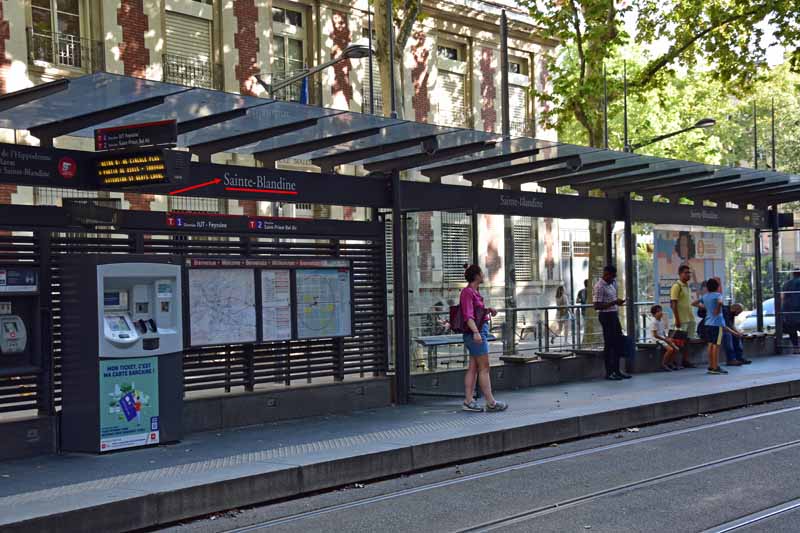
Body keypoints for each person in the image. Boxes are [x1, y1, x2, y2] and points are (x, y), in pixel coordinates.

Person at [460, 264, 508, 413]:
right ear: (476, 275)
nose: (483, 274)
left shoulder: (473, 292)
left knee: (474, 368)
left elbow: (476, 312)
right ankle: (490, 402)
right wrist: (476, 332)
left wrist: (487, 310)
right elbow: (468, 315)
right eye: (481, 272)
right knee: (484, 367)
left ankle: (469, 401)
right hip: (476, 334)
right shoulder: (468, 292)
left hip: (478, 332)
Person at [593, 265, 631, 380]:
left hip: (614, 314)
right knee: (609, 344)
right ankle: (609, 372)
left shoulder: (611, 285)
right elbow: (597, 306)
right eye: (612, 276)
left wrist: (617, 303)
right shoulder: (599, 286)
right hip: (606, 316)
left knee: (617, 343)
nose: (613, 279)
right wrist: (614, 302)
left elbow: (611, 301)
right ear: (606, 274)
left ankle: (617, 370)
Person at [670, 265, 697, 368]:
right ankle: (673, 362)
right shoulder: (677, 286)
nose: (688, 275)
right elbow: (673, 304)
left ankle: (685, 360)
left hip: (690, 318)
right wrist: (677, 319)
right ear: (680, 274)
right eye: (686, 273)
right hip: (681, 319)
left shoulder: (687, 287)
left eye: (689, 273)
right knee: (677, 341)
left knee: (687, 341)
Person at [700, 277, 728, 375]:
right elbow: (720, 302)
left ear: (707, 287)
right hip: (717, 323)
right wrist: (717, 309)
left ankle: (711, 366)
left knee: (710, 344)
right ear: (717, 287)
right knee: (716, 345)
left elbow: (694, 303)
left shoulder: (705, 296)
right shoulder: (718, 295)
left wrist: (705, 307)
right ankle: (715, 367)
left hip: (708, 323)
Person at [650, 305, 679, 371]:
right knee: (670, 349)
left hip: (662, 338)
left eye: (661, 311)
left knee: (676, 349)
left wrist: (667, 338)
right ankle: (663, 364)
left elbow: (663, 333)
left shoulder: (661, 321)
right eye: (658, 311)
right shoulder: (654, 322)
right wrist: (665, 339)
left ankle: (670, 363)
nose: (660, 313)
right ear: (654, 314)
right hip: (657, 339)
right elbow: (655, 335)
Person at [781, 269, 800, 350]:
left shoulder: (786, 284)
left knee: (792, 331)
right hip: (797, 310)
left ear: (793, 274)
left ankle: (796, 348)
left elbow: (783, 298)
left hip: (789, 312)